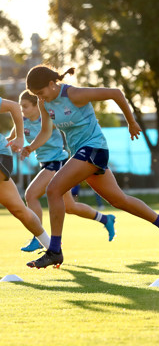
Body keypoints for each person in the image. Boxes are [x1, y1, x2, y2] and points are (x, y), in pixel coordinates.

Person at [22, 65, 159, 269]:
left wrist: (131, 122)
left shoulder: (75, 94)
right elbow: (45, 131)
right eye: (35, 95)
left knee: (53, 189)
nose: (39, 98)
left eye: (41, 92)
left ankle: (55, 250)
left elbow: (116, 93)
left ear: (52, 84)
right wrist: (30, 147)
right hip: (81, 153)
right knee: (119, 200)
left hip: (94, 149)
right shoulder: (45, 103)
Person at [8, 90, 115, 253]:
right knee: (70, 207)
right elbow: (13, 135)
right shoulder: (22, 121)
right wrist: (10, 142)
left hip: (58, 162)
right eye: (21, 107)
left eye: (26, 106)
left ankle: (38, 238)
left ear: (38, 106)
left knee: (31, 195)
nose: (22, 111)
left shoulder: (49, 118)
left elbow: (57, 127)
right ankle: (105, 219)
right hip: (46, 164)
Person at [0, 96, 51, 251]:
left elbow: (14, 106)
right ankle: (53, 249)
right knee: (18, 208)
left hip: (0, 154)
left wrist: (20, 137)